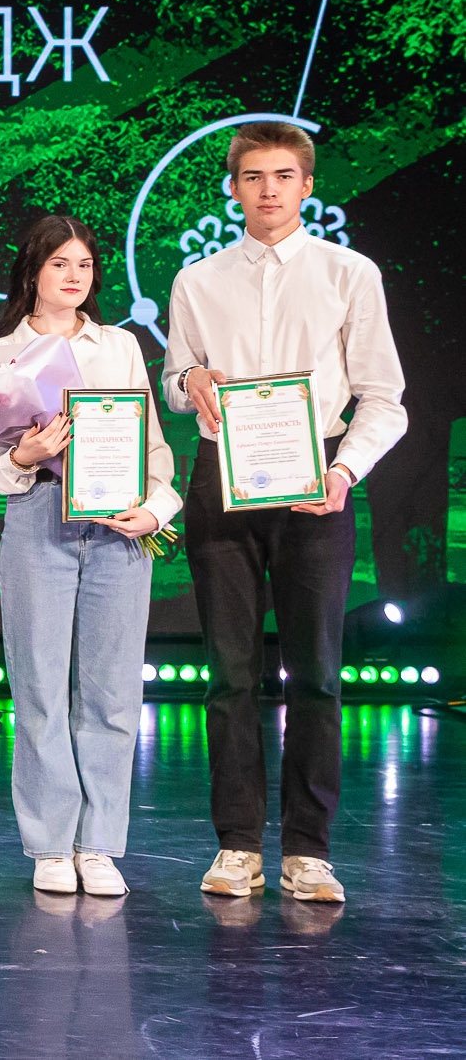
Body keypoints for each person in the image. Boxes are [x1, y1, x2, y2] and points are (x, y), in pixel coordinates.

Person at [161, 123, 406, 905]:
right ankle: (237, 844)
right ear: (232, 187)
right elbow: (174, 378)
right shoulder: (197, 280)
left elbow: (384, 397)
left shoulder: (349, 273)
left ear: (308, 185)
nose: (268, 189)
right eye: (253, 176)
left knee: (319, 674)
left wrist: (344, 469)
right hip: (222, 481)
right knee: (229, 675)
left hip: (316, 480)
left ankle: (308, 850)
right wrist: (191, 380)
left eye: (283, 175)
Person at [0, 214, 182, 898]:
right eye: (59, 263)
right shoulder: (1, 352)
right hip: (39, 520)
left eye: (84, 265)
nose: (74, 276)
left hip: (119, 527)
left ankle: (99, 844)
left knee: (113, 692)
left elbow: (151, 442)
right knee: (39, 689)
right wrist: (24, 456)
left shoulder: (118, 345)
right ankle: (50, 844)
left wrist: (158, 507)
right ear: (33, 271)